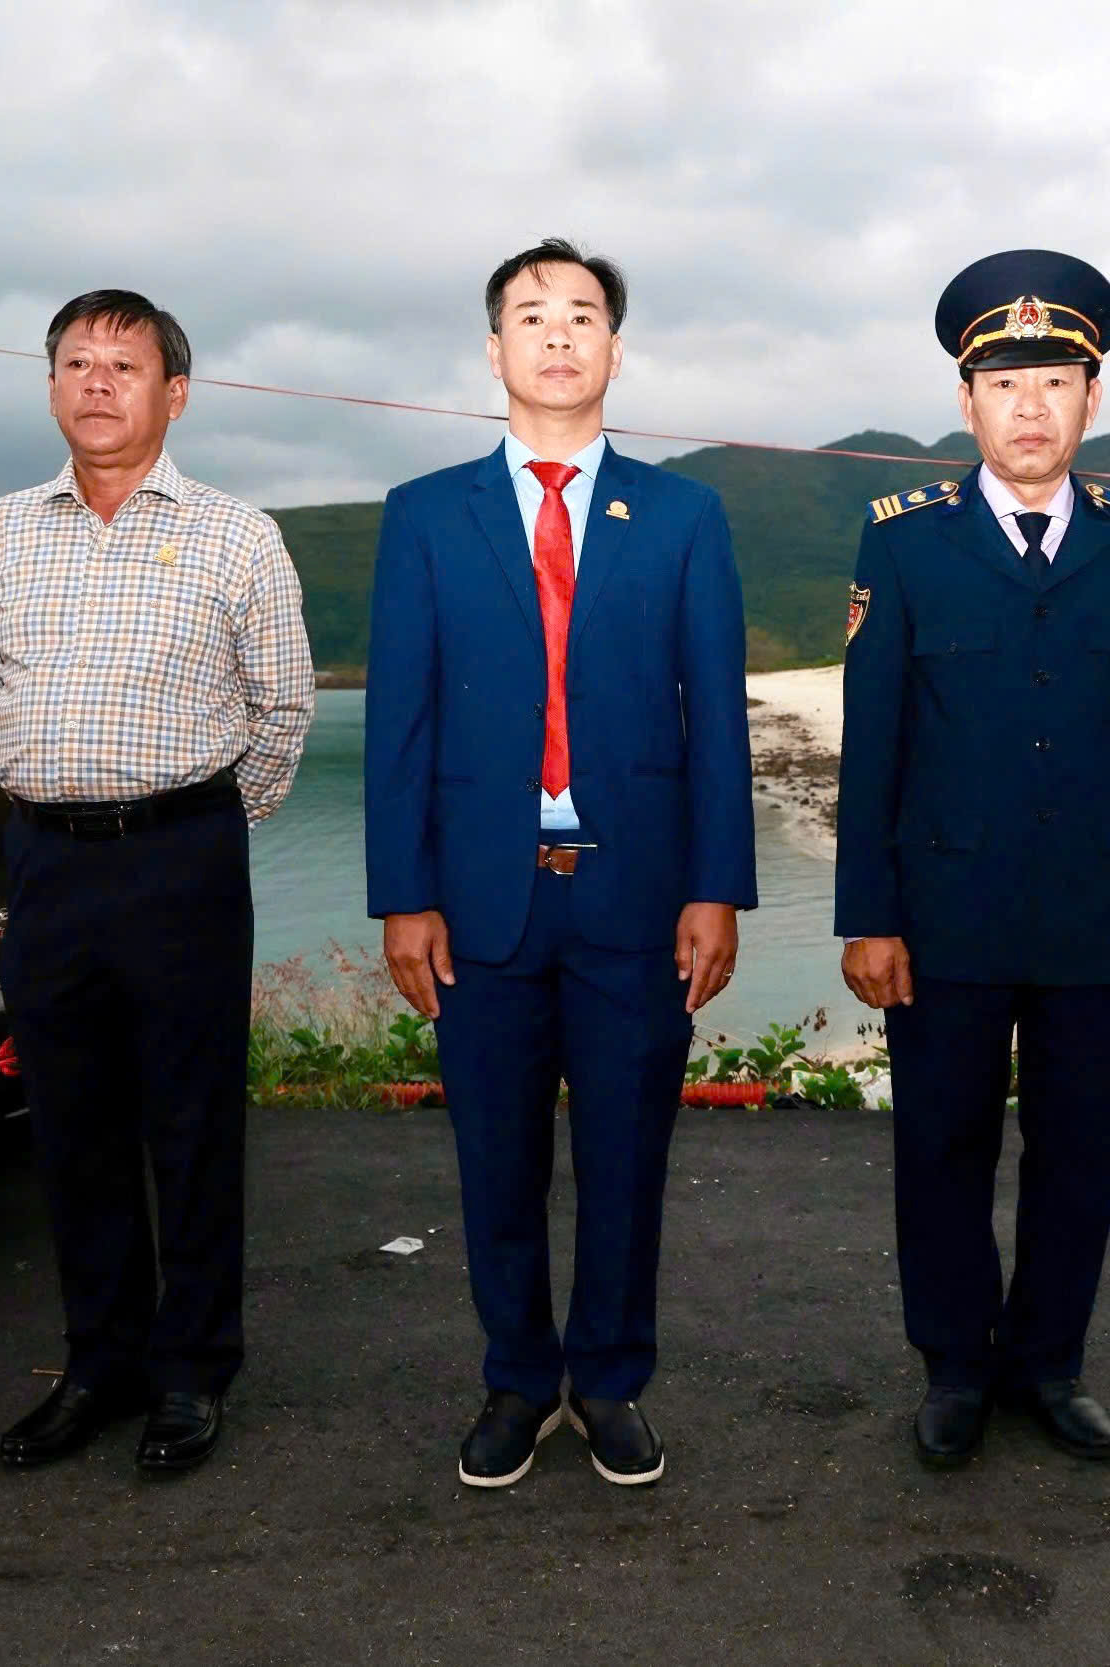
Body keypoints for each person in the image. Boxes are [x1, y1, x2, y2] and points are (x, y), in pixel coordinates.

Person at [365, 239, 756, 1489]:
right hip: (480, 898)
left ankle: (611, 1380)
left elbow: (716, 718)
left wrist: (716, 887)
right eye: (530, 314)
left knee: (627, 1156)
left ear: (613, 351)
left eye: (581, 314)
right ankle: (519, 1379)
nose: (556, 334)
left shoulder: (683, 515)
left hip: (634, 892)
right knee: (496, 1157)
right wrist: (402, 894)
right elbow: (399, 723)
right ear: (494, 350)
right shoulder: (425, 514)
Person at [834, 250, 1110, 1470]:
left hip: (1097, 907)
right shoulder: (902, 543)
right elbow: (872, 742)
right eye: (1004, 385)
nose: (1030, 406)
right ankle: (952, 1366)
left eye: (1054, 381)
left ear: (1091, 398)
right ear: (966, 402)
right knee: (940, 1144)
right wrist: (866, 914)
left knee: (1077, 1150)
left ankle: (1049, 1362)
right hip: (943, 909)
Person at [0, 290, 312, 1473]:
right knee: (70, 1121)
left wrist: (190, 826)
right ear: (50, 386)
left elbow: (281, 711)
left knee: (191, 1120)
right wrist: (55, 797)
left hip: (179, 856)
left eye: (124, 364)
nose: (97, 382)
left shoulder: (236, 535)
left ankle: (192, 1367)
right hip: (46, 858)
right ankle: (98, 1361)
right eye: (76, 362)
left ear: (175, 394)